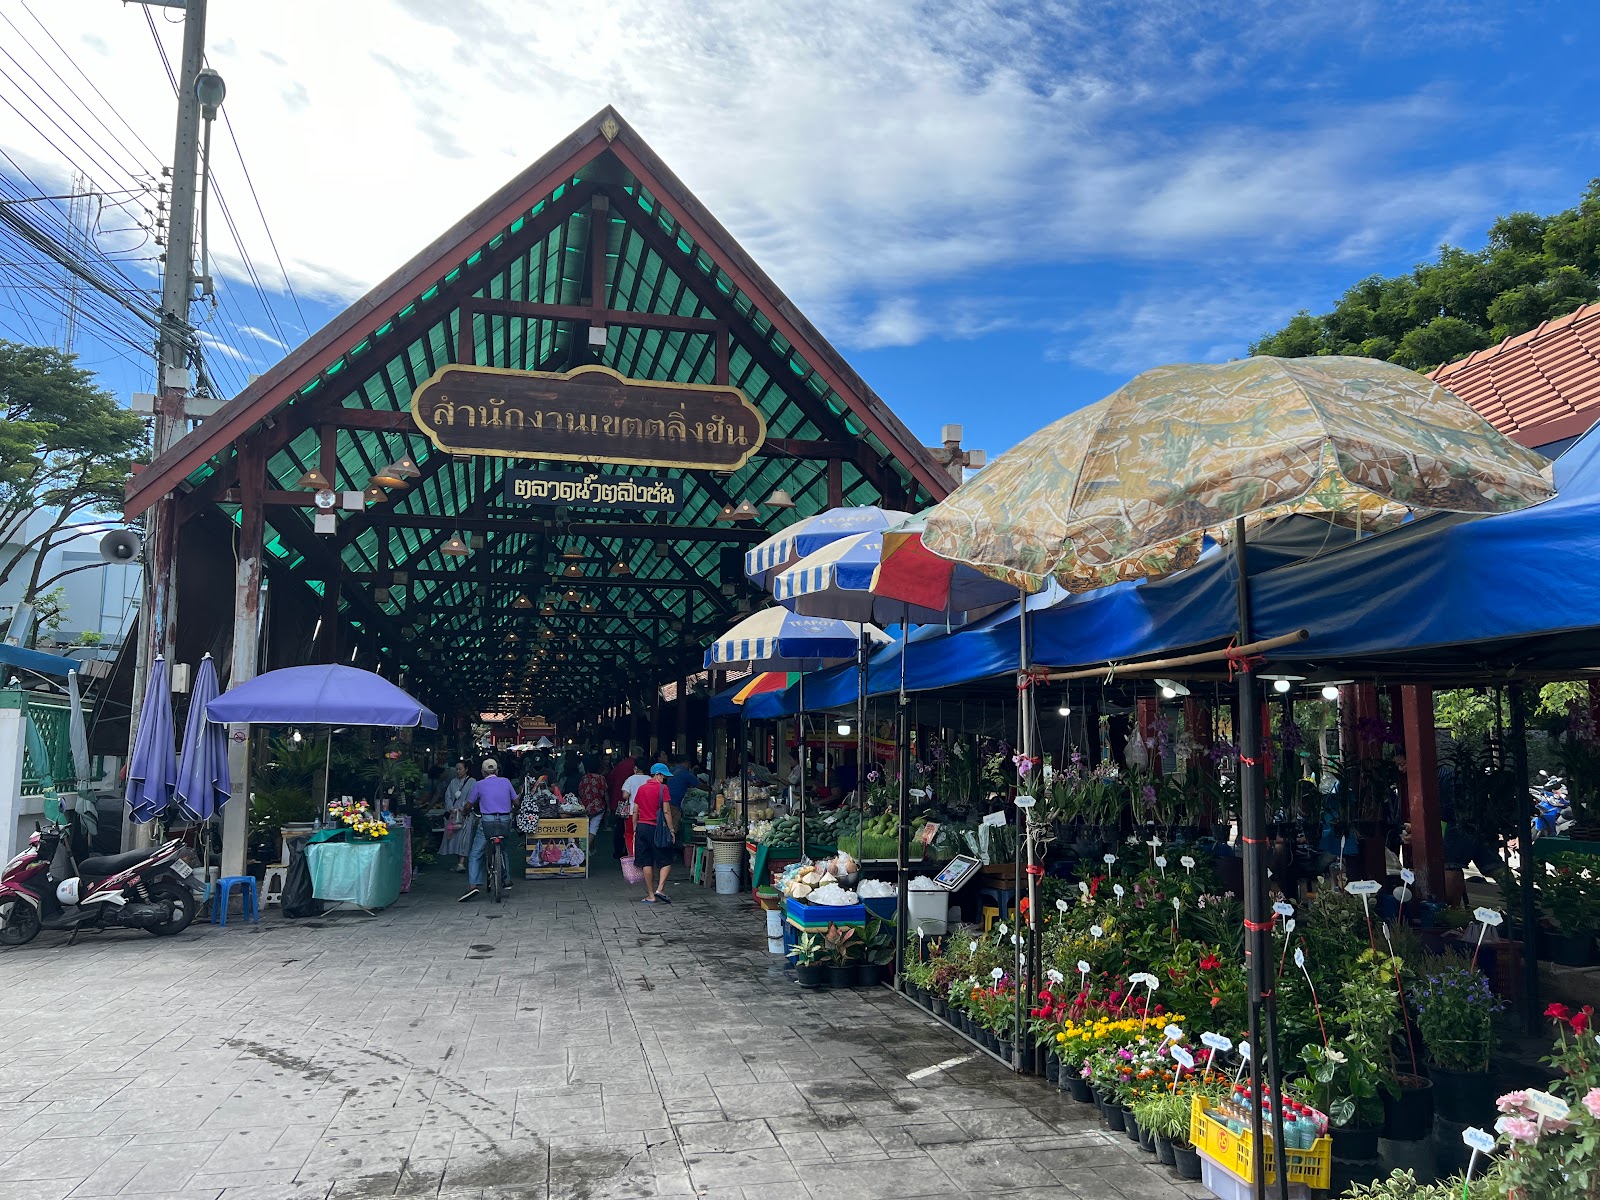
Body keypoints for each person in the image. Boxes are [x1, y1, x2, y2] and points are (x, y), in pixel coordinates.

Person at [461, 758, 518, 902]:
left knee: (475, 853)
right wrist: (513, 810)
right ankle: (506, 879)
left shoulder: (479, 784)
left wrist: (464, 813)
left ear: (483, 772)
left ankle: (473, 885)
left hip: (486, 821)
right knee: (504, 849)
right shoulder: (505, 781)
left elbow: (468, 805)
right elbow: (516, 802)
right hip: (505, 820)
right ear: (497, 771)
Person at [632, 762, 677, 904]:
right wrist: (671, 829)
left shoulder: (641, 789)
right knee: (666, 859)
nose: (665, 779)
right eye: (663, 776)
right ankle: (660, 888)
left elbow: (635, 811)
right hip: (657, 829)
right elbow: (667, 811)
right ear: (657, 775)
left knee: (646, 862)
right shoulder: (663, 789)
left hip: (642, 827)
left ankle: (651, 895)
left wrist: (634, 830)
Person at [439, 761, 476, 873]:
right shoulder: (453, 782)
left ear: (466, 769)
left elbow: (473, 797)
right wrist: (451, 808)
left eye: (460, 769)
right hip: (454, 814)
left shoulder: (472, 782)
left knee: (465, 837)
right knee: (455, 838)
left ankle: (461, 862)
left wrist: (464, 809)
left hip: (466, 814)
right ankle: (458, 861)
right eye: (457, 769)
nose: (458, 771)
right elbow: (448, 797)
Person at [578, 761, 608, 837]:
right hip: (598, 806)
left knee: (585, 828)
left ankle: (587, 847)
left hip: (585, 805)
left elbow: (580, 792)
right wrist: (609, 806)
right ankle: (589, 847)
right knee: (594, 828)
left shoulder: (584, 778)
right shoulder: (601, 778)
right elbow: (605, 793)